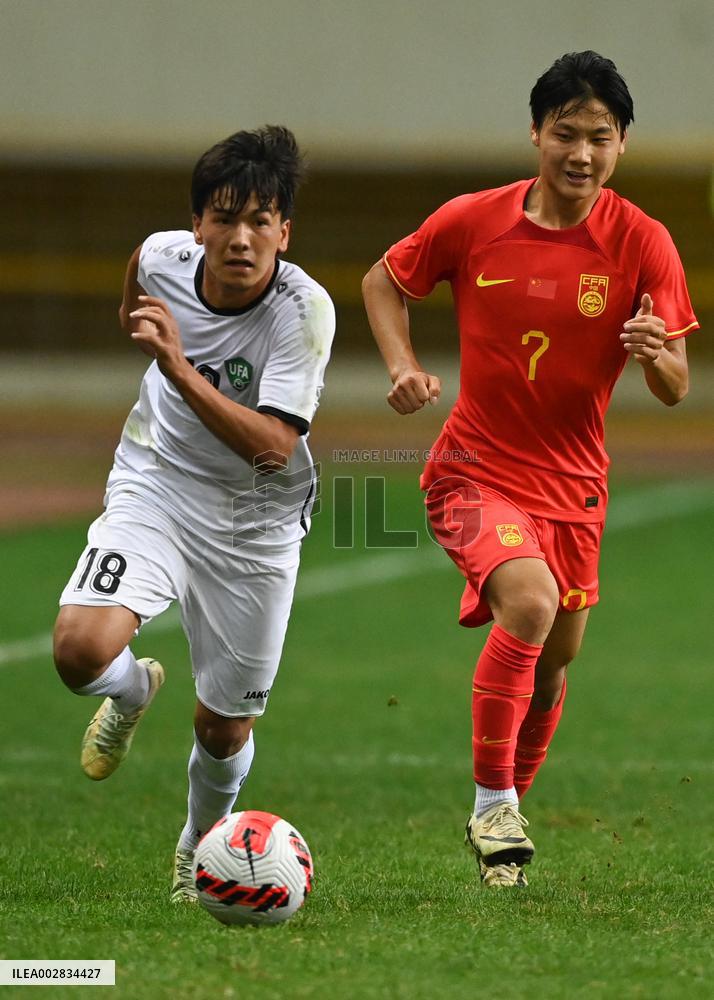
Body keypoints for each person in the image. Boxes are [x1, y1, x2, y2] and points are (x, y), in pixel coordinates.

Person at [362, 51, 698, 889]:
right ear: (536, 134)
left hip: (575, 489)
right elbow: (383, 280)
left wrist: (655, 354)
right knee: (531, 603)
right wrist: (403, 365)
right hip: (472, 470)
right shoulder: (474, 220)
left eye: (599, 138)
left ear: (621, 144)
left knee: (552, 672)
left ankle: (501, 831)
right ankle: (492, 805)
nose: (581, 154)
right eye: (565, 134)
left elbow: (676, 386)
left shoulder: (643, 241)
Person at [53, 125, 335, 902]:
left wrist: (177, 365)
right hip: (158, 483)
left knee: (223, 727)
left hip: (255, 521)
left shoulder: (304, 311)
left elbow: (273, 447)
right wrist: (147, 333)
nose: (241, 238)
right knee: (78, 650)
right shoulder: (161, 258)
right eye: (224, 218)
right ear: (197, 224)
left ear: (284, 231)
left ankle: (196, 850)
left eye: (260, 221)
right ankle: (131, 690)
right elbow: (135, 292)